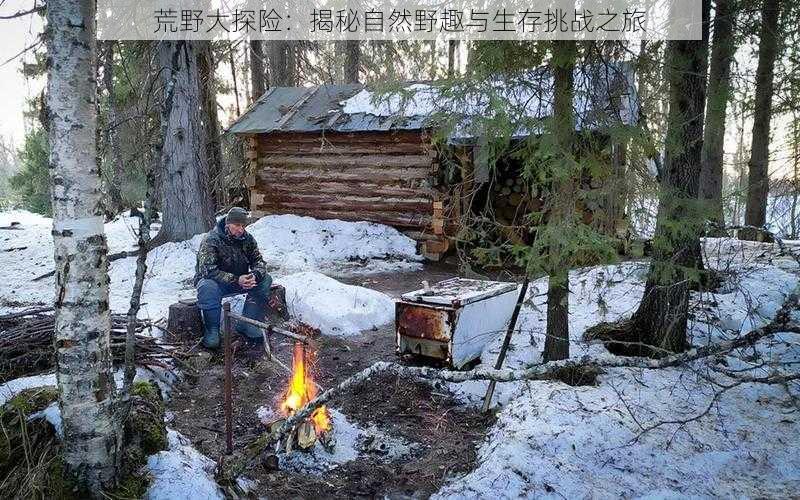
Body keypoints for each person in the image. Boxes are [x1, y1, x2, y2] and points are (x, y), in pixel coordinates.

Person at [195, 207, 272, 349]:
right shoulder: (211, 239)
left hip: (240, 281)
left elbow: (259, 262)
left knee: (266, 279)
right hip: (217, 283)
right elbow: (207, 270)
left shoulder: (247, 239)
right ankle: (212, 330)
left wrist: (254, 275)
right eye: (237, 225)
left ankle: (247, 323)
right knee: (207, 286)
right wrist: (237, 279)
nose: (240, 229)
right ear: (227, 224)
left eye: (243, 226)